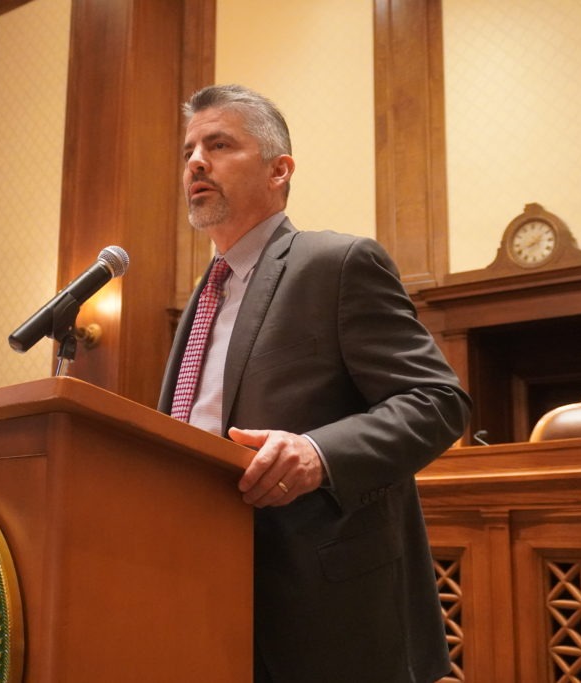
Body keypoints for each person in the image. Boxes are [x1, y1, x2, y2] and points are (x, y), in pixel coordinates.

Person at [158, 84, 472, 683]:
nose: (196, 161)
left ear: (280, 170)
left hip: (323, 611)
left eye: (219, 144)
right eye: (189, 149)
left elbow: (438, 401)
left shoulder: (336, 263)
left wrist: (318, 452)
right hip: (202, 583)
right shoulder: (202, 297)